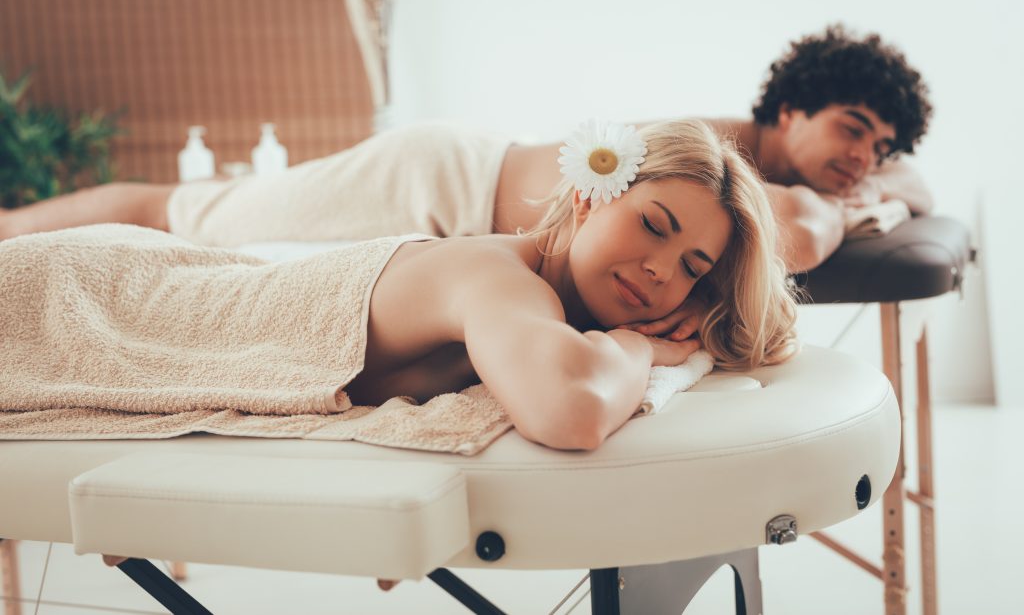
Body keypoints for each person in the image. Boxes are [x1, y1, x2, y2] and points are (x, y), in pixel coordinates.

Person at [1, 119, 797, 451]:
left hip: (125, 283)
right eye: (655, 226)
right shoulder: (494, 274)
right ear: (593, 192)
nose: (662, 270)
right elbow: (573, 406)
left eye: (693, 269)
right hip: (79, 295)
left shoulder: (537, 300)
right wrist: (633, 346)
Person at [0, 24, 932, 278]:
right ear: (793, 107)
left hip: (456, 195)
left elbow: (905, 183)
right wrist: (860, 206)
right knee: (183, 216)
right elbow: (803, 232)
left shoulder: (763, 167)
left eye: (879, 147)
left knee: (191, 225)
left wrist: (888, 185)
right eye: (853, 130)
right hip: (438, 182)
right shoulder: (718, 153)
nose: (865, 158)